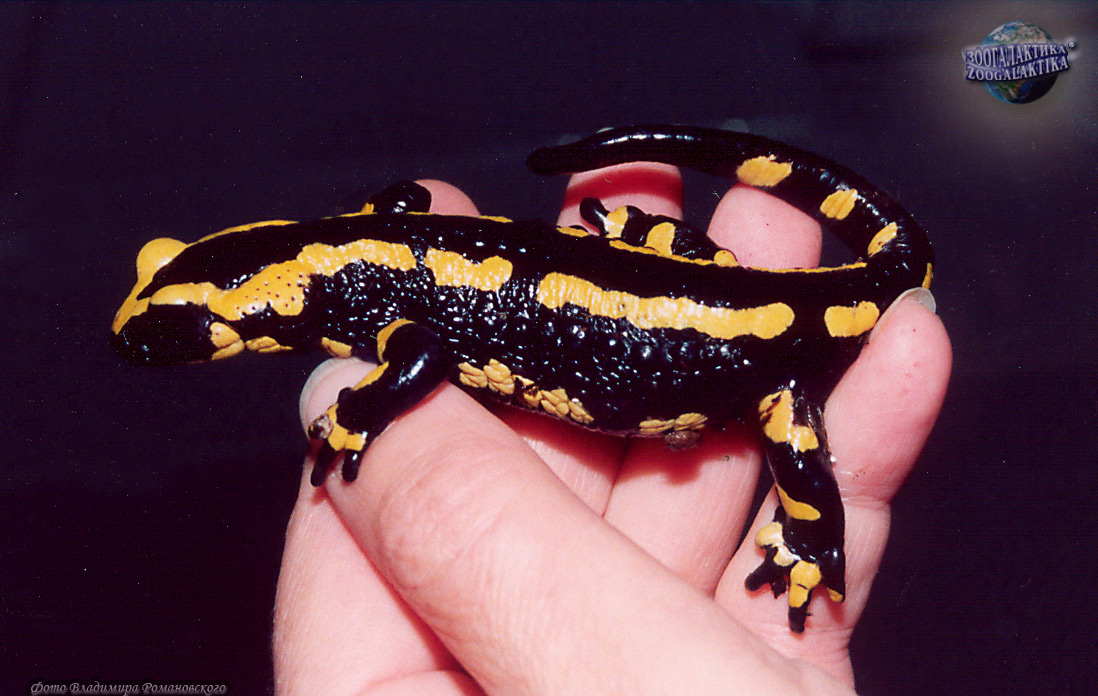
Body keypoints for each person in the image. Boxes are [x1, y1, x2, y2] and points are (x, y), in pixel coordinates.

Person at [271, 161, 952, 695]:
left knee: (800, 457)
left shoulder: (369, 298)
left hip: (755, 356)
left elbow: (421, 358)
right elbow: (407, 201)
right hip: (702, 312)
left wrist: (356, 412)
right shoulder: (364, 247)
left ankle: (814, 543)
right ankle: (658, 240)